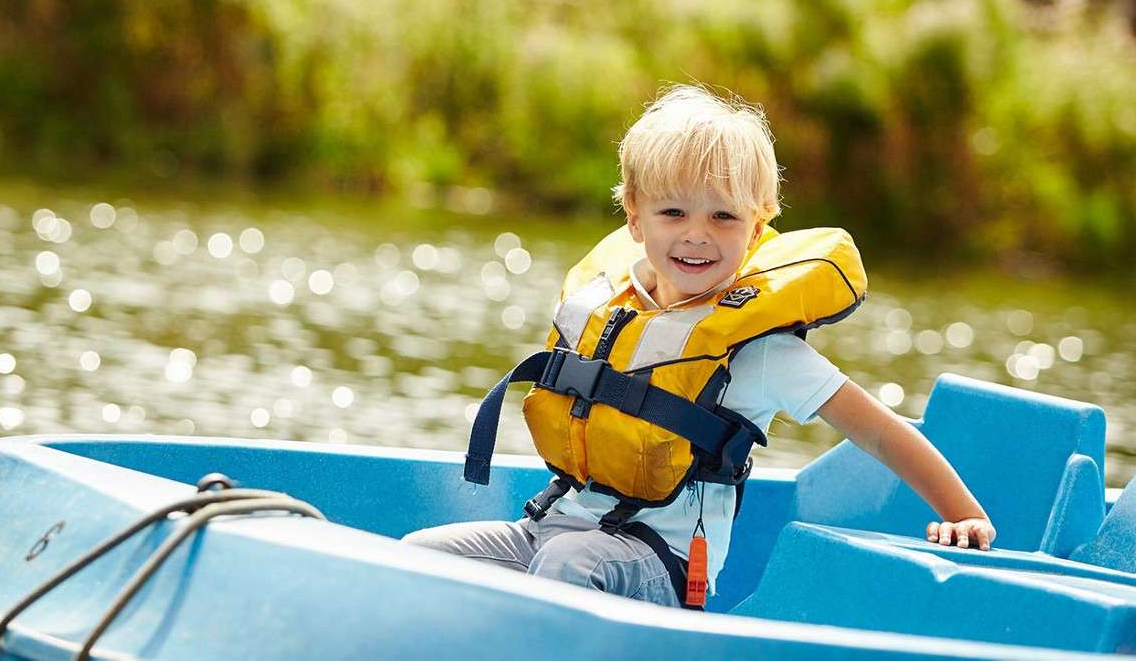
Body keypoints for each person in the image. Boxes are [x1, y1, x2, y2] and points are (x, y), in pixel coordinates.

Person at [402, 84, 996, 609]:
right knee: (417, 556)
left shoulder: (760, 351)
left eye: (723, 216)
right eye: (673, 212)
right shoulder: (611, 305)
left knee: (570, 567)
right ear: (635, 219)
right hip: (551, 529)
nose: (696, 234)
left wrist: (963, 513)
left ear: (758, 225)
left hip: (660, 564)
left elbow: (879, 431)